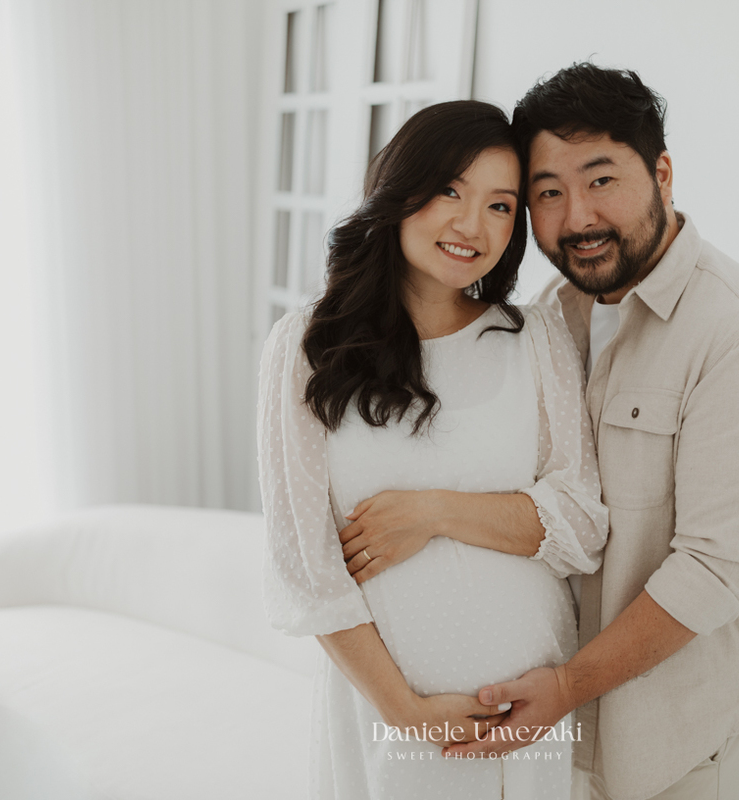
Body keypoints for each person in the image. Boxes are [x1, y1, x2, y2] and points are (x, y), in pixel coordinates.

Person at [439, 64, 739, 800]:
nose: (577, 216)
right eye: (548, 192)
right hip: (551, 728)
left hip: (673, 745)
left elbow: (715, 571)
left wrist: (568, 685)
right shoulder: (552, 311)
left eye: (601, 179)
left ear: (663, 173)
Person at [256, 100, 609, 800]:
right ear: (400, 188)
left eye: (501, 206)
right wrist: (404, 711)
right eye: (451, 190)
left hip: (529, 711)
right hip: (393, 717)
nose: (472, 225)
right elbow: (306, 568)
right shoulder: (306, 349)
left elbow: (581, 525)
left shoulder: (533, 337)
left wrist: (436, 513)